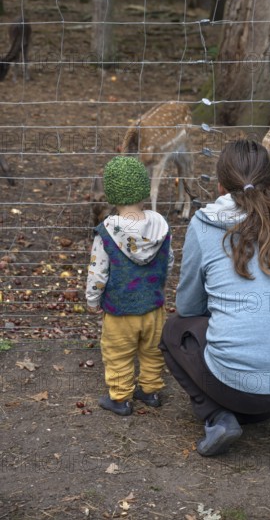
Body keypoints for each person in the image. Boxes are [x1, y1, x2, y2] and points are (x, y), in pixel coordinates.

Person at [160, 140, 270, 456]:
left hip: (233, 387)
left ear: (220, 184)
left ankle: (218, 416)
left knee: (174, 329)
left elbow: (188, 307)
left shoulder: (204, 223)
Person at [86, 156, 174, 416]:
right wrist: (159, 285)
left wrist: (93, 299)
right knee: (152, 350)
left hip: (119, 311)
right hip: (154, 307)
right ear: (143, 189)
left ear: (112, 193)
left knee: (118, 353)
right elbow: (169, 261)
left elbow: (97, 271)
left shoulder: (106, 233)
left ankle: (121, 398)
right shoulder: (161, 226)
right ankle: (150, 391)